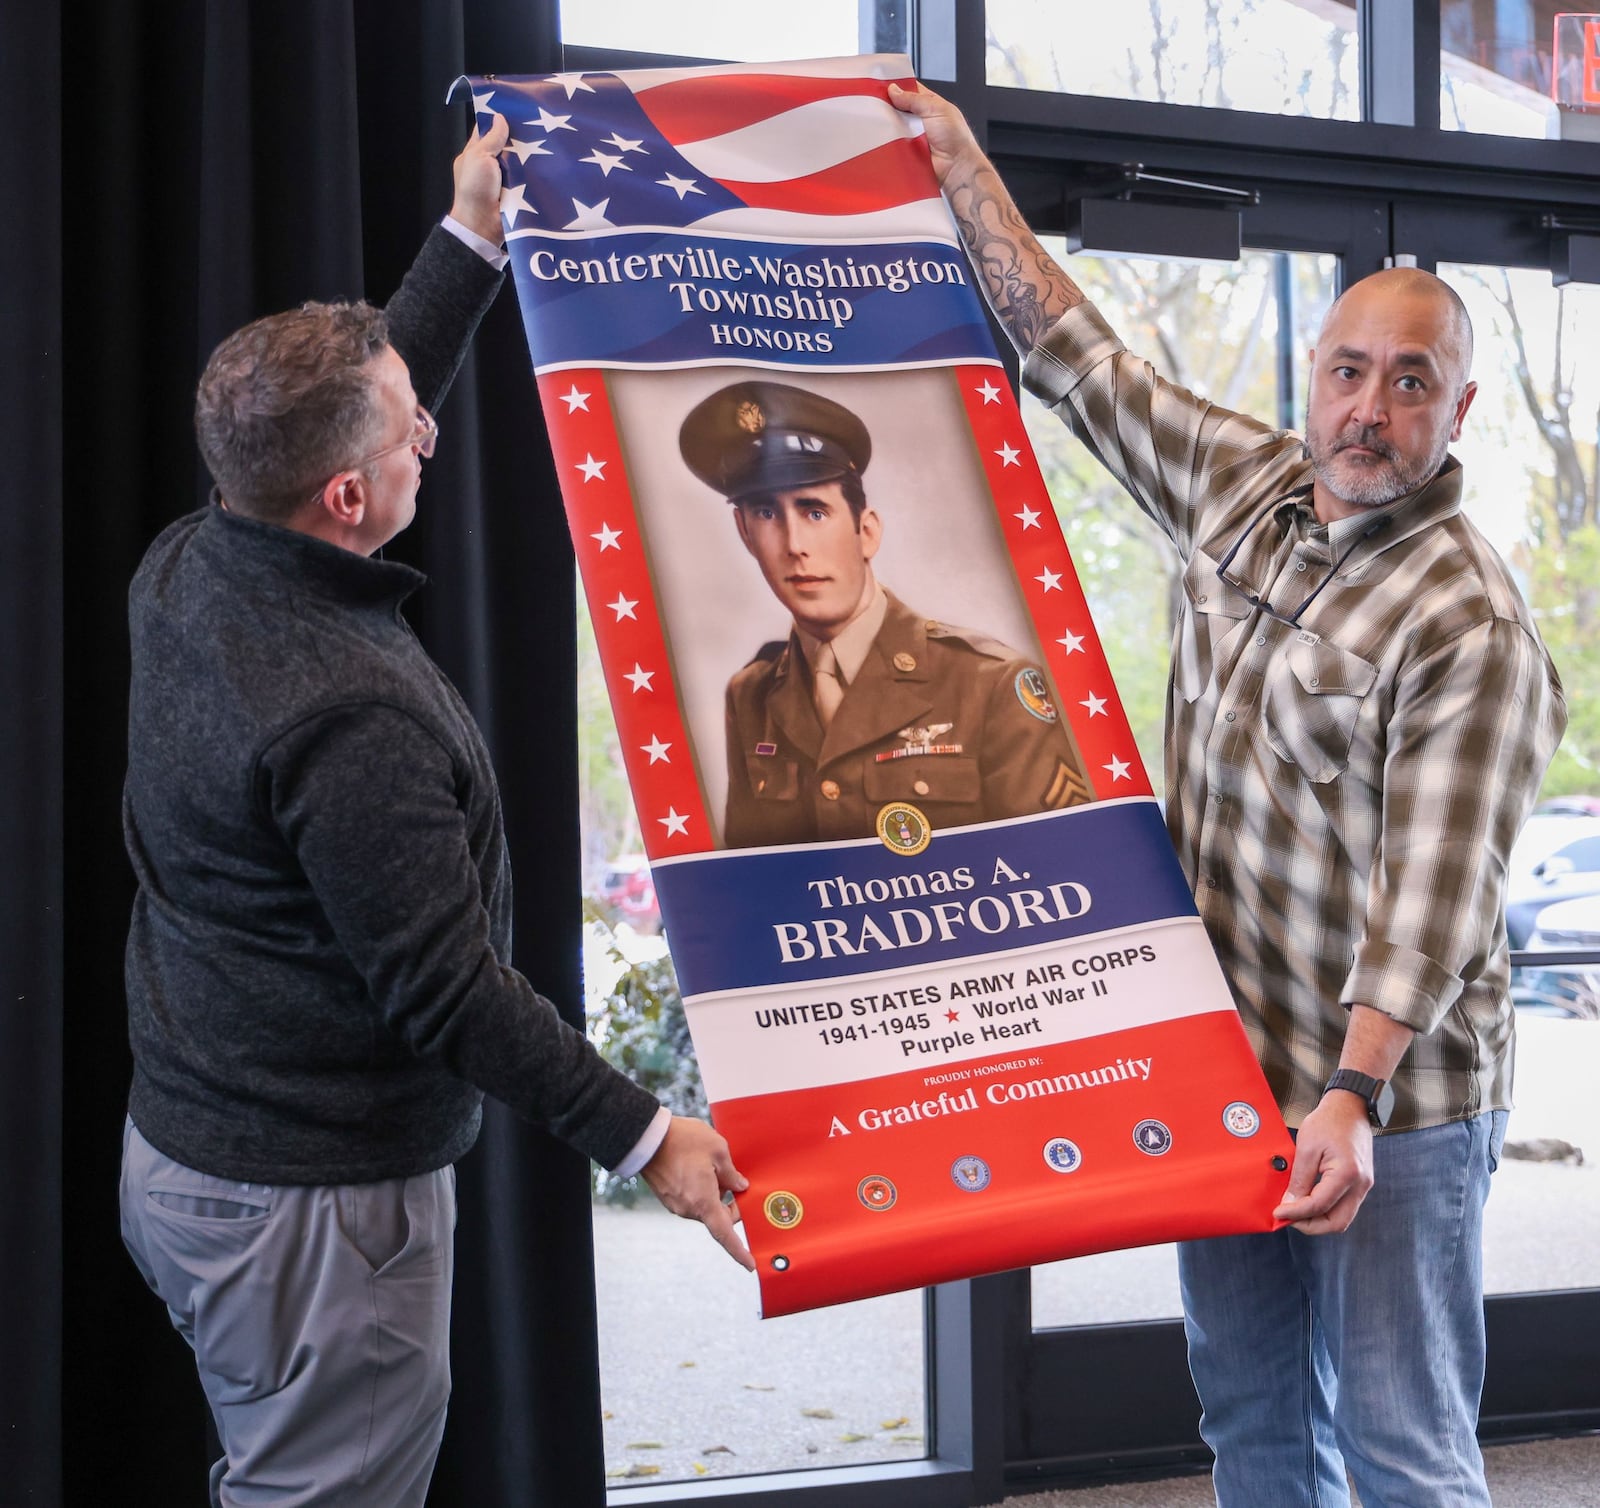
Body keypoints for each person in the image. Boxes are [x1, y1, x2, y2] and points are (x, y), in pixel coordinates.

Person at [891, 82, 1567, 1507]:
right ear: (1312, 372)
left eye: (1409, 382)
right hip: (1232, 1073)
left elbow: (1431, 909)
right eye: (1349, 369)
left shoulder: (1468, 622)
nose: (1369, 409)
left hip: (1396, 1100)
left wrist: (1351, 1097)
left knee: (1402, 1448)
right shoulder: (1245, 491)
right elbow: (1081, 361)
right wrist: (962, 174)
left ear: (1461, 407)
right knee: (1253, 1420)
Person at [118, 115, 752, 1508]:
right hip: (313, 1218)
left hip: (189, 1158)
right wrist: (651, 1137)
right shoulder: (350, 720)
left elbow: (358, 402)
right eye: (412, 432)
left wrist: (472, 231)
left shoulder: (195, 558)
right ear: (347, 498)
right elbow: (450, 992)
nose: (433, 433)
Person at [677, 378, 1094, 848]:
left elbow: (1061, 867)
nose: (794, 546)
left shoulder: (989, 683)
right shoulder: (751, 696)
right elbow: (753, 888)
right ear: (745, 534)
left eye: (814, 512)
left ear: (867, 531)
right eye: (767, 514)